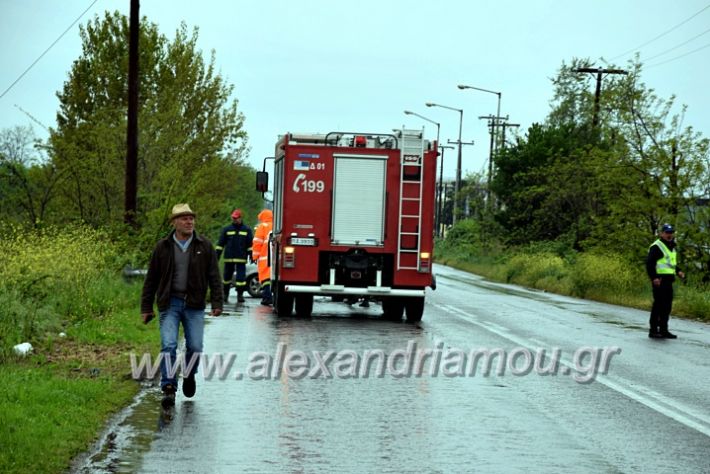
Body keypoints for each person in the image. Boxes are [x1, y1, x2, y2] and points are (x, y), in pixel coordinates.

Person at [141, 203, 223, 409]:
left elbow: (214, 276)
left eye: (191, 218)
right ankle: (168, 387)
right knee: (169, 344)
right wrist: (146, 307)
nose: (189, 222)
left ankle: (189, 374)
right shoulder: (163, 247)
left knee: (195, 346)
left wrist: (217, 302)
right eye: (184, 218)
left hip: (194, 304)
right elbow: (152, 278)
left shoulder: (204, 246)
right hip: (170, 303)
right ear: (175, 223)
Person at [646, 223, 685, 339]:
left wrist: (678, 271)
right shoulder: (657, 246)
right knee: (658, 306)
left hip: (669, 280)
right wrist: (654, 278)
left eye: (671, 232)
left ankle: (663, 330)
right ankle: (653, 330)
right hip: (659, 280)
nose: (669, 235)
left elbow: (671, 264)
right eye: (667, 232)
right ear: (662, 233)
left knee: (667, 306)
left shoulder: (671, 246)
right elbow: (650, 264)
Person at [215, 209, 253, 303]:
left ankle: (240, 295)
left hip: (241, 258)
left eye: (236, 218)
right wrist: (216, 256)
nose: (234, 220)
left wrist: (252, 256)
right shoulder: (227, 229)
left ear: (240, 218)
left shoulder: (247, 230)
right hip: (229, 258)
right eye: (233, 218)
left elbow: (250, 245)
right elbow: (220, 244)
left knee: (241, 279)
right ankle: (225, 295)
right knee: (226, 278)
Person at [252, 209, 273, 305]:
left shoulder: (262, 226)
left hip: (265, 257)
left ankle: (267, 297)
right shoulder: (276, 225)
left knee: (265, 278)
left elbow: (257, 242)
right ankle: (271, 297)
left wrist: (255, 256)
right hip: (275, 258)